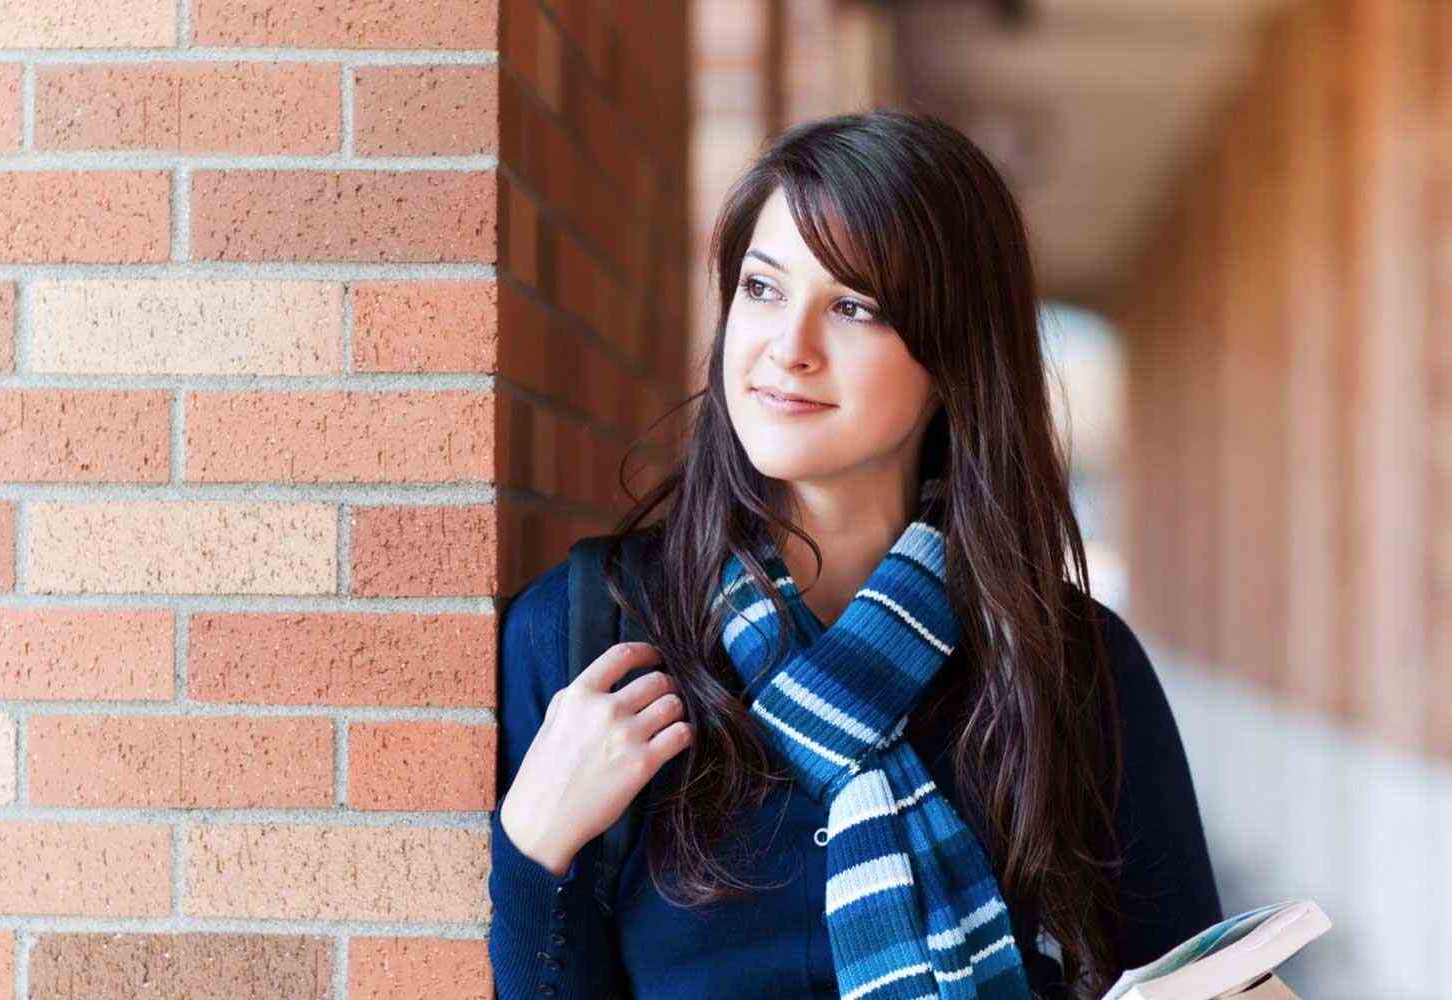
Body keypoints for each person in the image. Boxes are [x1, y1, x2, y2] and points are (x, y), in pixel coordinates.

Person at [487, 110, 1223, 1000]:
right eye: (763, 289)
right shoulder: (595, 639)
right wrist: (533, 846)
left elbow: (1195, 973)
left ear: (954, 359)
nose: (788, 349)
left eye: (852, 307)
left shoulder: (1067, 665)